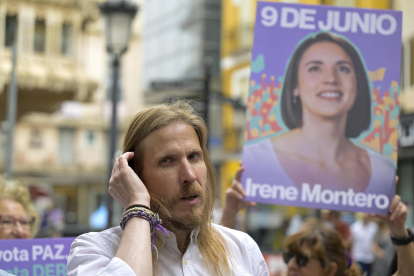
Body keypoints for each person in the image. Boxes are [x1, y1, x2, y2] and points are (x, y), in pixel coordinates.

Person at [66, 101, 269, 276]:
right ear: (134, 175)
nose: (189, 175)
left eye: (194, 156)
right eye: (167, 161)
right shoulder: (95, 250)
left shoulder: (242, 247)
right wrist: (137, 203)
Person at [242, 32, 395, 212]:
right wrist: (230, 212)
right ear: (295, 86)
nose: (331, 78)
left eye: (343, 68)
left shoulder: (384, 172)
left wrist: (398, 231)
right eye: (315, 68)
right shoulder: (256, 161)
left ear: (358, 85)